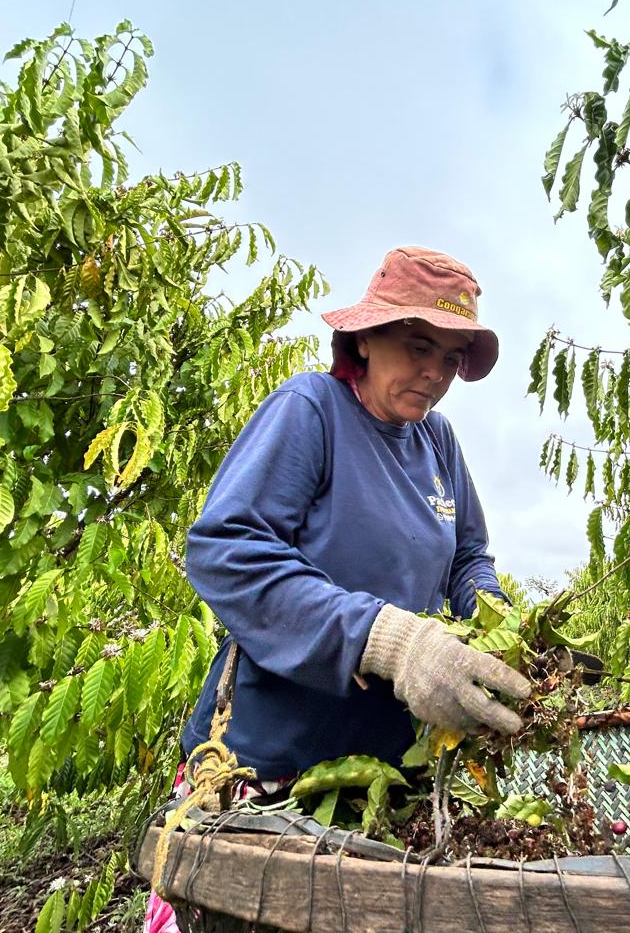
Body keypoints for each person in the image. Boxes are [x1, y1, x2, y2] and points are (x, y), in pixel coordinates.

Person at [144, 246, 530, 933]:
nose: (435, 373)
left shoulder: (437, 442)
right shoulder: (311, 411)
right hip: (274, 768)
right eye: (418, 346)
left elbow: (468, 555)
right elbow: (226, 550)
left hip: (384, 775)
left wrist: (500, 626)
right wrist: (386, 638)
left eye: (450, 358)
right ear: (365, 339)